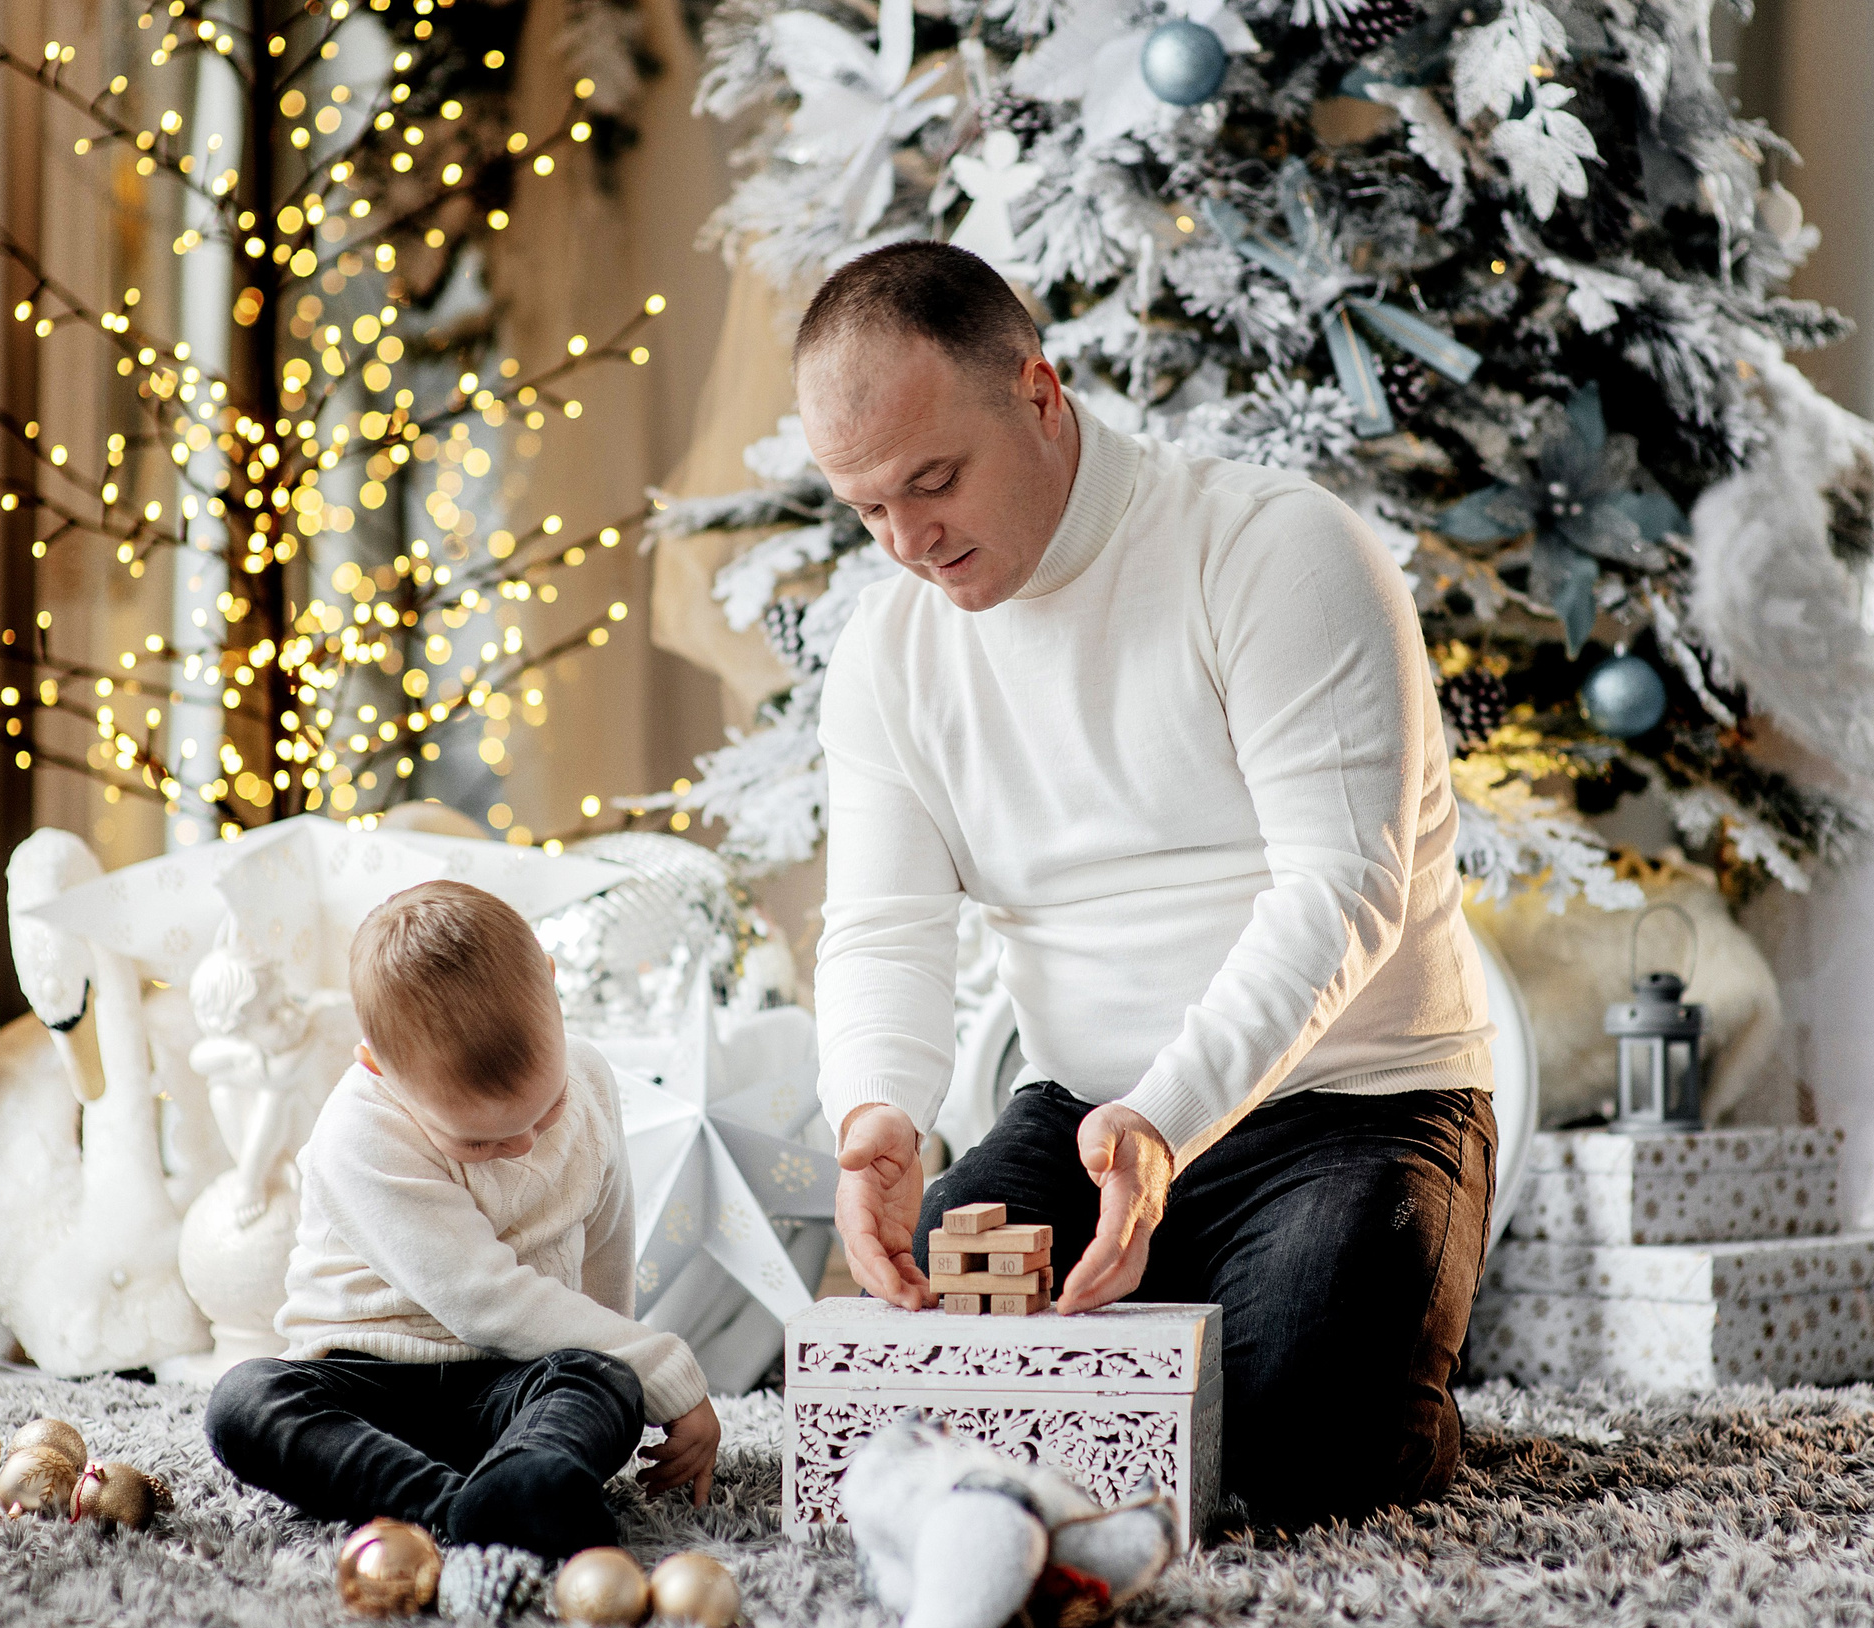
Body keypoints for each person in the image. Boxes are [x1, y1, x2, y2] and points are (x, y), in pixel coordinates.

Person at [809, 241, 1497, 1530]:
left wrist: (1166, 1121)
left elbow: (1341, 889)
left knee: (1296, 1446)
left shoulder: (1274, 552)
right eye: (866, 509)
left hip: (1353, 1100)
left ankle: (1385, 1339)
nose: (908, 541)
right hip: (1081, 1110)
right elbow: (882, 924)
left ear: (1038, 390)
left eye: (933, 480)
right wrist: (877, 1116)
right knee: (931, 1391)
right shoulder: (887, 656)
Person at [205, 880, 720, 1557]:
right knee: (245, 1400)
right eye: (480, 1142)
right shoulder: (359, 1131)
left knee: (605, 1379)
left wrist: (623, 1371)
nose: (526, 1144)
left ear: (554, 987)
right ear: (379, 1068)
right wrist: (666, 1366)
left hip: (511, 1381)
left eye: (547, 1107)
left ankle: (525, 1470)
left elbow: (606, 1242)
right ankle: (461, 1506)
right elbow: (485, 1298)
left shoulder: (591, 1077)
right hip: (370, 1386)